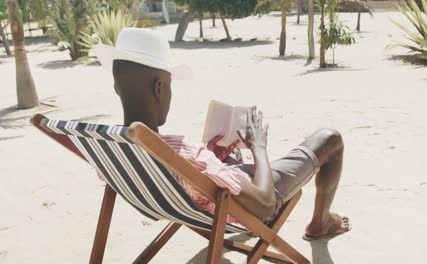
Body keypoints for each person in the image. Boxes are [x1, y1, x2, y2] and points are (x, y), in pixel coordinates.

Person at [92, 28, 350, 240]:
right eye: (170, 85)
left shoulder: (106, 148)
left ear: (117, 88)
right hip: (237, 208)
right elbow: (266, 204)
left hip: (190, 201)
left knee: (232, 152)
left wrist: (213, 159)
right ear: (159, 88)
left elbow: (193, 173)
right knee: (330, 139)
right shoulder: (188, 156)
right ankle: (321, 223)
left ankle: (232, 162)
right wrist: (259, 147)